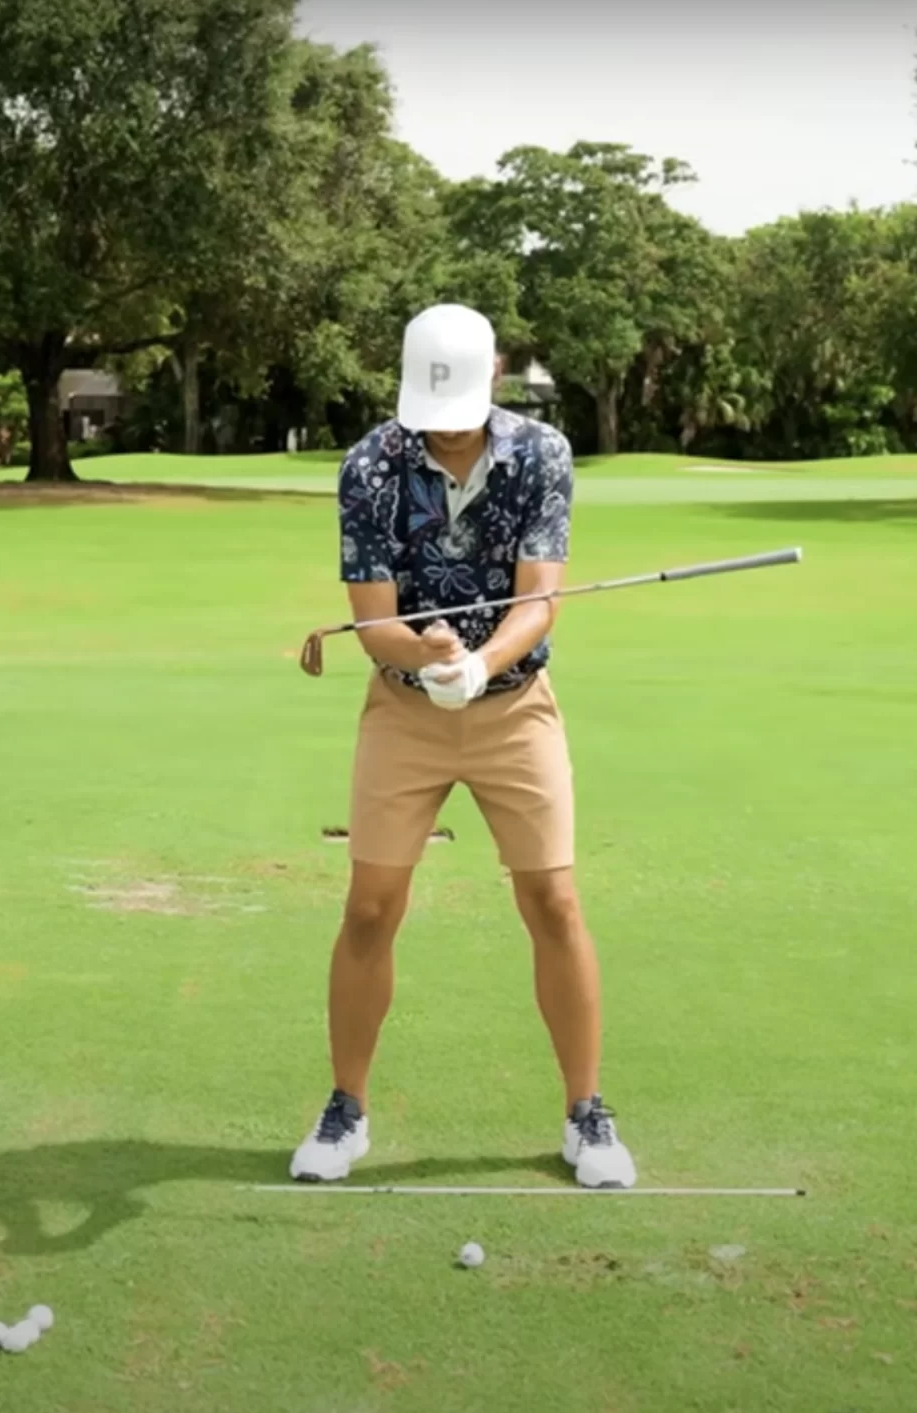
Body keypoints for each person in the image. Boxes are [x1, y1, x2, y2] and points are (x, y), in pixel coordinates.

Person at [289, 302, 635, 1190]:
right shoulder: (370, 464)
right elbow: (373, 621)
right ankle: (346, 1108)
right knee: (370, 908)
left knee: (554, 903)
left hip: (515, 708)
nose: (443, 428)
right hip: (404, 713)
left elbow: (539, 599)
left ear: (491, 382)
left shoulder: (543, 456)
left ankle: (586, 1114)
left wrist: (477, 665)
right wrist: (427, 652)